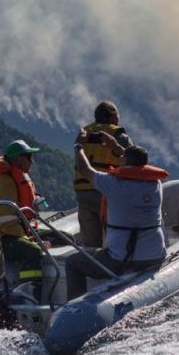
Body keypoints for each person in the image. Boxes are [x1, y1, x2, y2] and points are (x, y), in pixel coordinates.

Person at [66, 140, 168, 300]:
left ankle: (72, 307)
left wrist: (78, 147)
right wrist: (119, 148)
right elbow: (138, 165)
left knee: (73, 263)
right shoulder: (155, 184)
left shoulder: (113, 184)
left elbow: (84, 169)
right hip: (154, 256)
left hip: (119, 259)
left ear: (126, 162)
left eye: (122, 159)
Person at [0, 139, 45, 282]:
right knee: (34, 252)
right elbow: (7, 222)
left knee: (62, 236)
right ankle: (30, 292)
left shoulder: (14, 177)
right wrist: (31, 241)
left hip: (10, 232)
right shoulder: (6, 182)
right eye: (29, 157)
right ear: (19, 159)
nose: (32, 161)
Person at [73, 101, 134, 247]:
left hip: (83, 191)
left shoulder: (84, 133)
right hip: (106, 191)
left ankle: (92, 266)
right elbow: (134, 157)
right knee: (113, 235)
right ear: (112, 116)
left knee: (90, 241)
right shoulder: (117, 133)